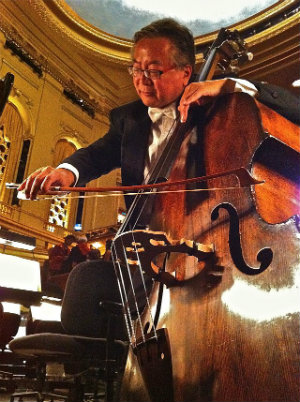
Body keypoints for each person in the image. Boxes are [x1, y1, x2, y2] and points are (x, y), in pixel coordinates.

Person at [17, 18, 299, 338]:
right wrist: (64, 172)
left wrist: (233, 86)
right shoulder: (128, 119)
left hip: (212, 247)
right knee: (84, 289)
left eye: (154, 70)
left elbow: (291, 107)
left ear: (185, 73)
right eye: (136, 69)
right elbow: (96, 154)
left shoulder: (222, 105)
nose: (142, 80)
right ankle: (125, 370)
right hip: (152, 252)